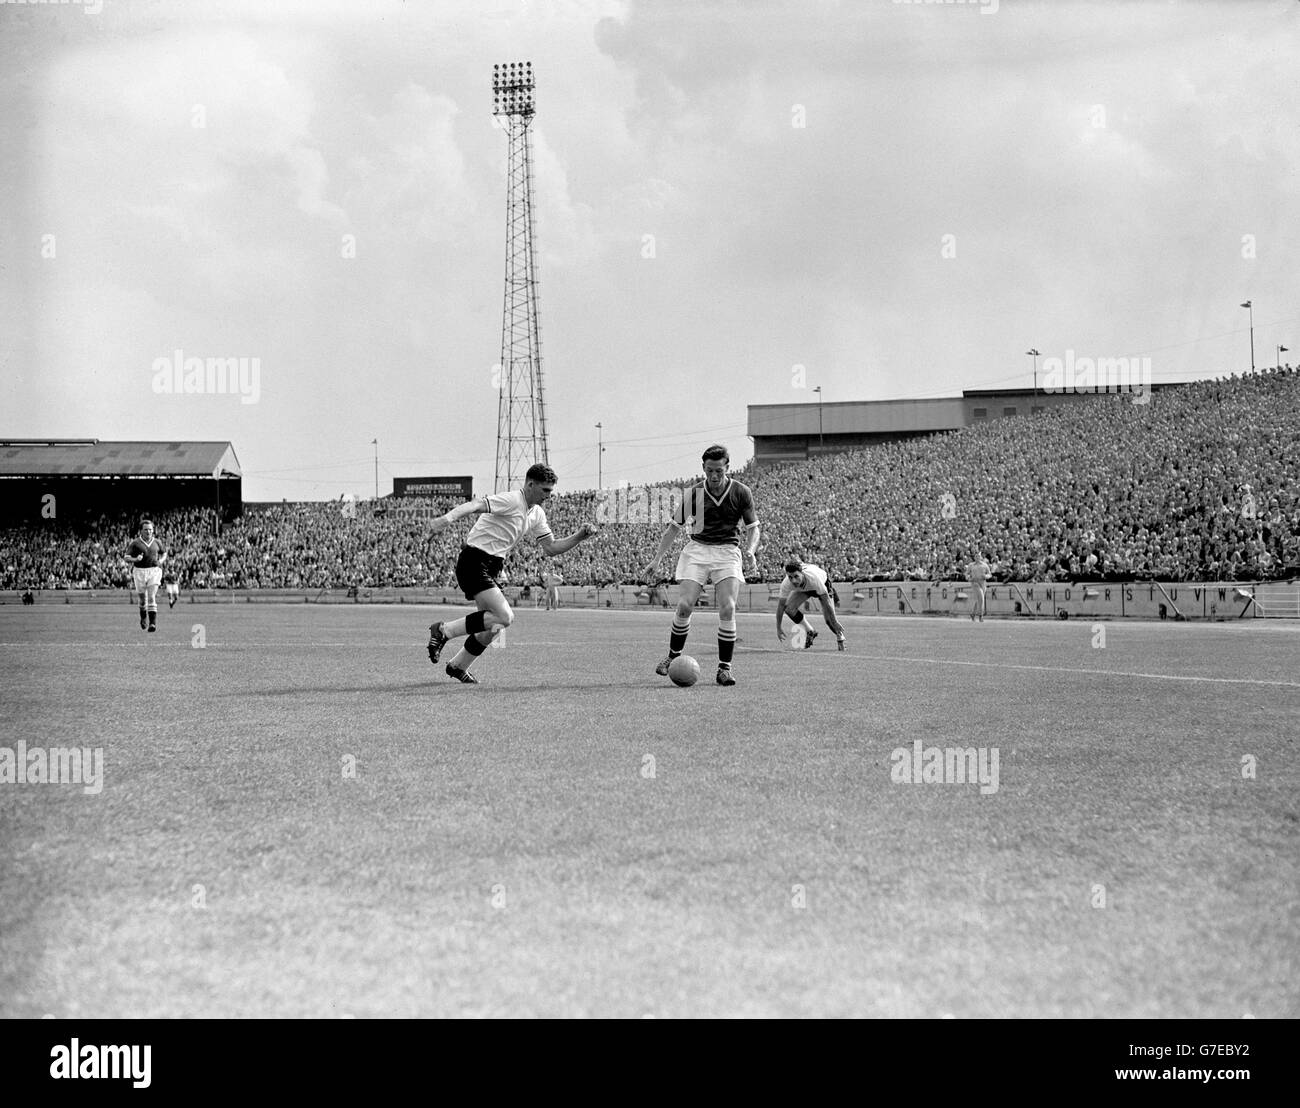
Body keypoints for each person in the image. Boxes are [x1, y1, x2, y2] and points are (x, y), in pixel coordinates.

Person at [425, 464, 598, 684]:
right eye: (545, 490)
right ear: (530, 484)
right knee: (505, 617)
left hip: (492, 565)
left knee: (494, 626)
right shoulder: (512, 500)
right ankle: (443, 630)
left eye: (551, 491)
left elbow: (551, 548)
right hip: (474, 560)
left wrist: (579, 537)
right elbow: (476, 504)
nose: (549, 496)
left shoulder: (536, 513)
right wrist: (446, 519)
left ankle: (458, 666)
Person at [641, 444, 760, 686]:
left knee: (728, 608)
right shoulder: (693, 493)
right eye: (709, 471)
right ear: (703, 468)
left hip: (727, 551)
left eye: (718, 471)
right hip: (697, 551)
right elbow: (674, 527)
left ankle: (724, 669)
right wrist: (657, 559)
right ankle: (673, 656)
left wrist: (750, 550)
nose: (714, 476)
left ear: (727, 467)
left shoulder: (741, 491)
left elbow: (753, 528)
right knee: (685, 606)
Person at [776, 558, 846, 650]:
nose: (793, 581)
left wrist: (835, 621)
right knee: (789, 609)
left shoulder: (814, 578)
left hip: (822, 584)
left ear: (802, 573)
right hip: (805, 588)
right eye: (790, 577)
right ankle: (810, 631)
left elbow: (826, 601)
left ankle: (840, 637)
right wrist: (778, 628)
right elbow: (781, 606)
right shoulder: (786, 583)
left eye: (796, 576)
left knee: (829, 621)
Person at [124, 519, 167, 632]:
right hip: (139, 572)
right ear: (141, 531)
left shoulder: (157, 542)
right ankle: (143, 617)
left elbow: (164, 553)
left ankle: (152, 623)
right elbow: (126, 557)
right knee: (143, 599)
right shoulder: (135, 543)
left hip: (154, 571)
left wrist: (161, 561)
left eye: (150, 530)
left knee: (152, 596)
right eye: (146, 530)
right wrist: (135, 559)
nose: (148, 532)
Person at [966, 552, 991, 621]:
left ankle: (973, 614)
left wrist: (986, 576)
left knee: (978, 600)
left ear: (981, 557)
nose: (977, 557)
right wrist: (969, 578)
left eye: (978, 556)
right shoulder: (971, 565)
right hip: (975, 583)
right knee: (982, 598)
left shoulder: (984, 565)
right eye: (976, 556)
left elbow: (989, 574)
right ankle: (981, 615)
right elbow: (967, 574)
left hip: (983, 583)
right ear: (974, 557)